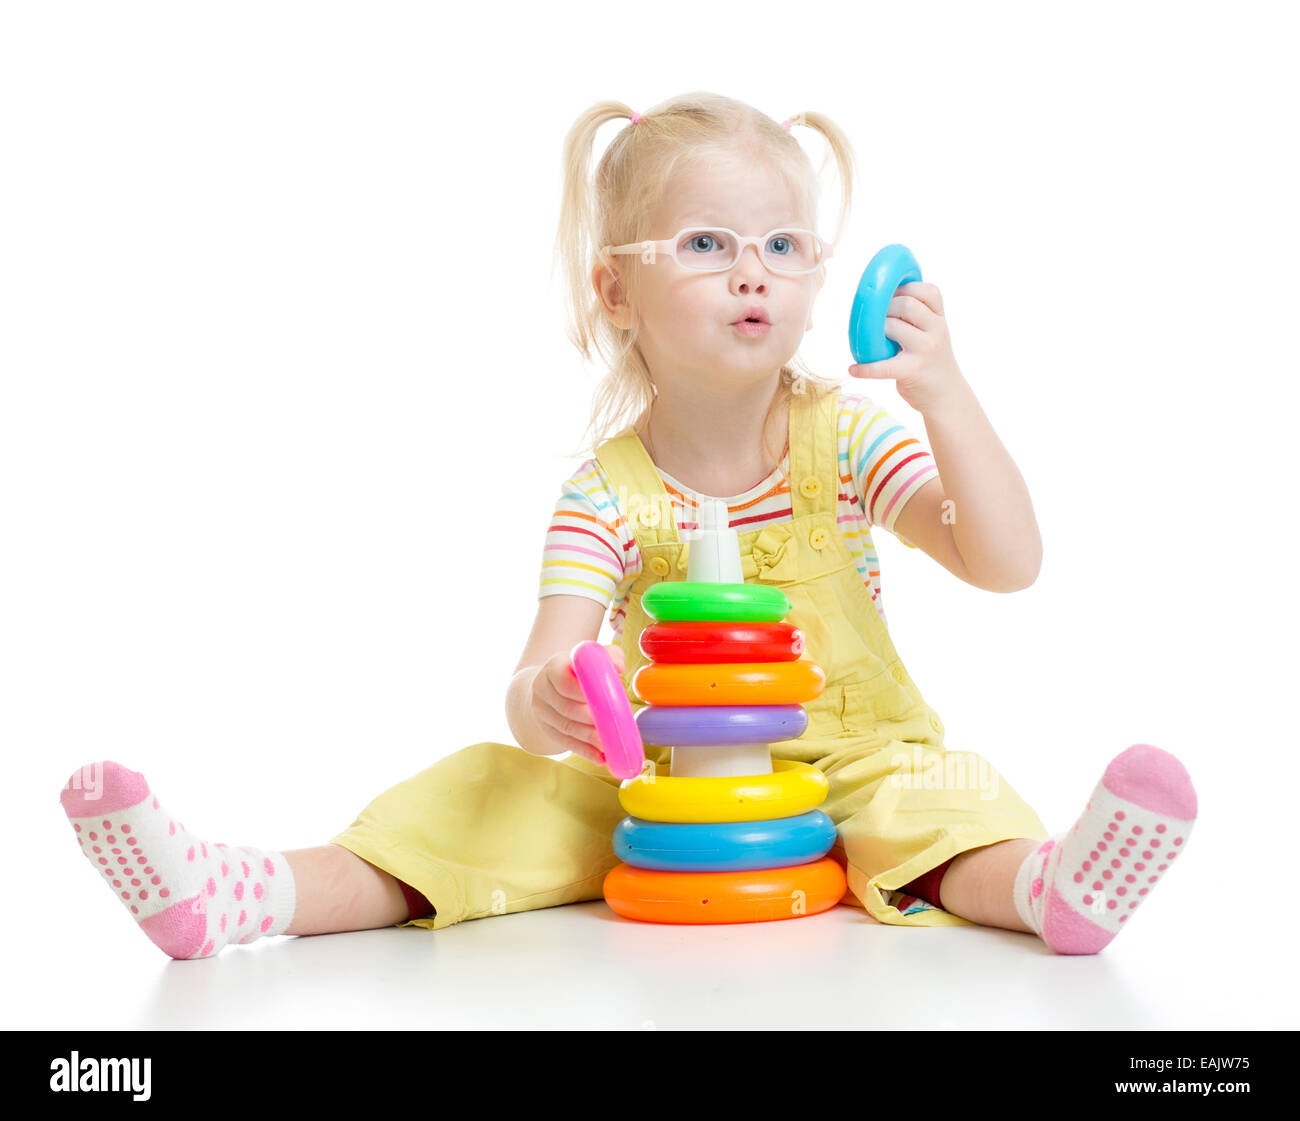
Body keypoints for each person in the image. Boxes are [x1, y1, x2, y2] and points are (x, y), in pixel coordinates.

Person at [59, 91, 1196, 959]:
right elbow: (544, 670)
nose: (754, 273)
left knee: (940, 794)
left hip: (853, 764)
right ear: (616, 288)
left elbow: (1008, 562)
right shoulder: (603, 492)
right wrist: (549, 698)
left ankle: (1049, 887)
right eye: (707, 244)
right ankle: (243, 887)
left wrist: (943, 393)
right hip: (657, 787)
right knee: (483, 790)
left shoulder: (845, 440)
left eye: (784, 246)